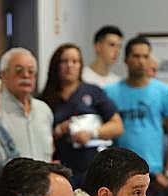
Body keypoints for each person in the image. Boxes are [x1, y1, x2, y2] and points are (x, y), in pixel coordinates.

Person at [105, 36, 168, 196]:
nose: (141, 61)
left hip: (153, 175)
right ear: (126, 59)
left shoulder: (163, 91)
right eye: (136, 56)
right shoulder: (111, 92)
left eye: (145, 56)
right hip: (120, 173)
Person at [40, 44, 123, 188]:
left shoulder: (93, 92)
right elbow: (40, 137)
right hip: (62, 171)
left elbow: (117, 126)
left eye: (75, 61)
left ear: (80, 65)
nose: (70, 66)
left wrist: (91, 133)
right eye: (64, 61)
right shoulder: (45, 98)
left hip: (93, 168)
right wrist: (59, 130)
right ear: (56, 65)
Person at [0, 47, 53, 162]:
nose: (26, 75)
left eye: (31, 71)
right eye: (19, 71)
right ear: (3, 75)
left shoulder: (44, 110)